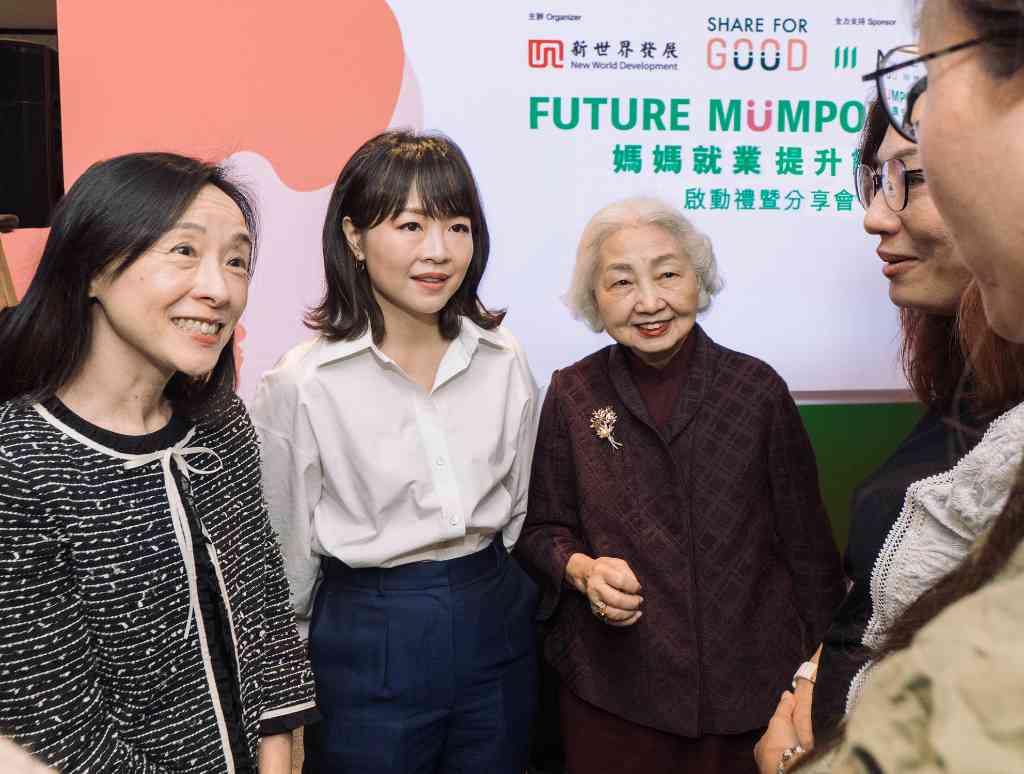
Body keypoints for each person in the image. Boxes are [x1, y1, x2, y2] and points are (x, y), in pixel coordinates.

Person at [756, 3, 1024, 770]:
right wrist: (816, 682)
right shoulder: (968, 383)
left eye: (915, 175)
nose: (876, 216)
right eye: (876, 178)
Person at [0, 153, 318, 773]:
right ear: (92, 268)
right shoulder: (19, 459)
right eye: (184, 251)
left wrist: (279, 757)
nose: (220, 289)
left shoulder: (220, 424)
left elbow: (265, 617)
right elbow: (62, 730)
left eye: (237, 261)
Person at [514, 197, 845, 774]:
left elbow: (810, 553)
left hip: (751, 694)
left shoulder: (756, 390)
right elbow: (542, 529)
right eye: (622, 282)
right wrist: (582, 570)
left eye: (667, 274)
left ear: (698, 278)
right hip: (614, 692)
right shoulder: (573, 392)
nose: (649, 302)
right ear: (595, 298)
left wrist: (820, 679)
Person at [252, 130, 540, 774]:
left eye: (457, 227)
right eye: (410, 226)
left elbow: (518, 506)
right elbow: (285, 555)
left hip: (492, 615)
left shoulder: (504, 358)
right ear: (354, 238)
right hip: (366, 632)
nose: (438, 251)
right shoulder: (303, 382)